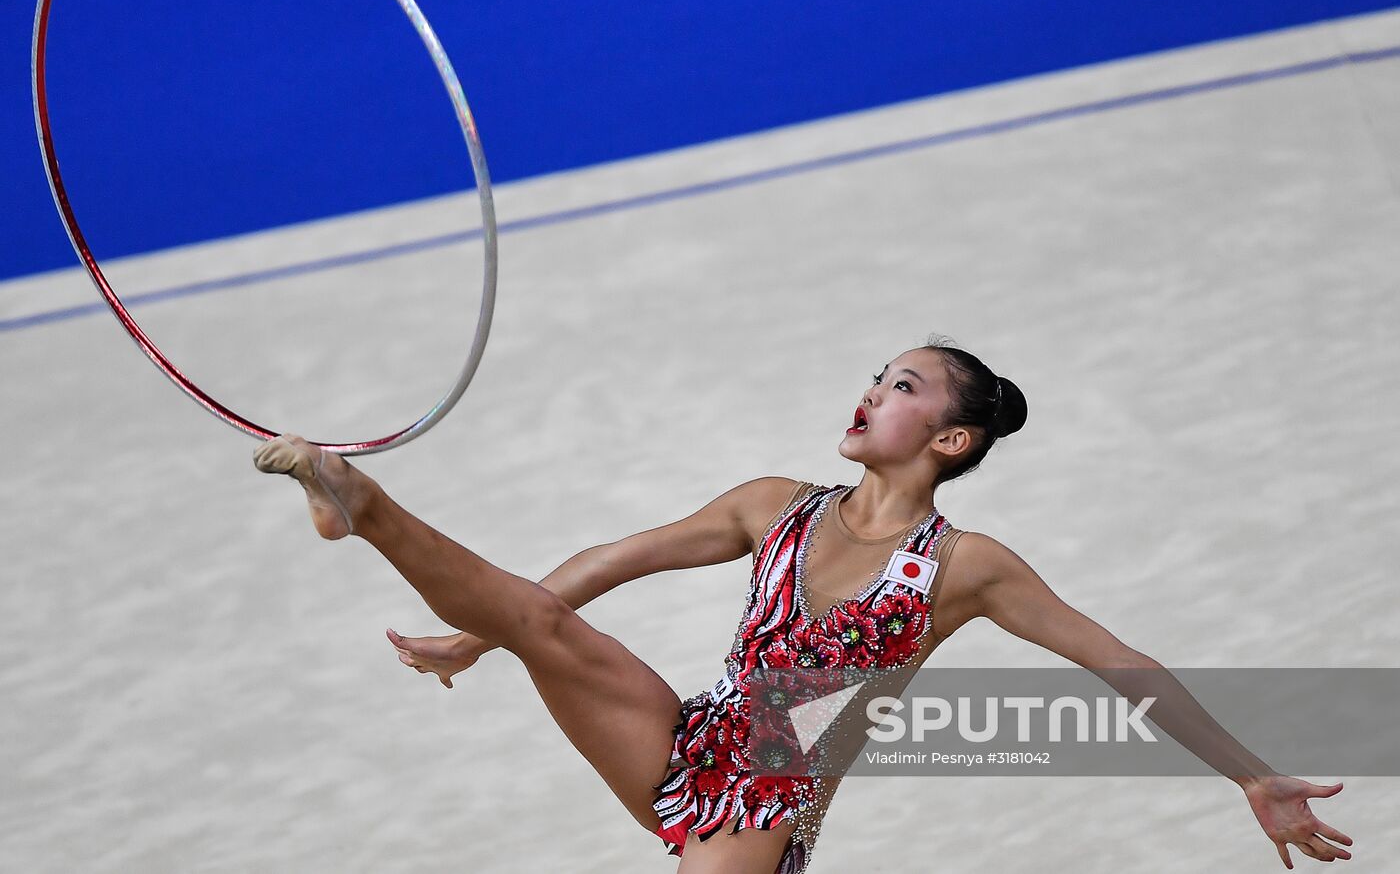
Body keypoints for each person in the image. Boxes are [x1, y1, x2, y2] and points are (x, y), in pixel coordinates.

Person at [253, 336, 1353, 872]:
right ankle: (364, 501)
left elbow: (1120, 666)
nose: (873, 390)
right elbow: (613, 558)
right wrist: (481, 638)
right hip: (686, 739)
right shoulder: (771, 504)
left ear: (951, 439)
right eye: (877, 375)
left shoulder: (963, 566)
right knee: (547, 627)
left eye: (904, 387)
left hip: (771, 800)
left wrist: (1250, 771)